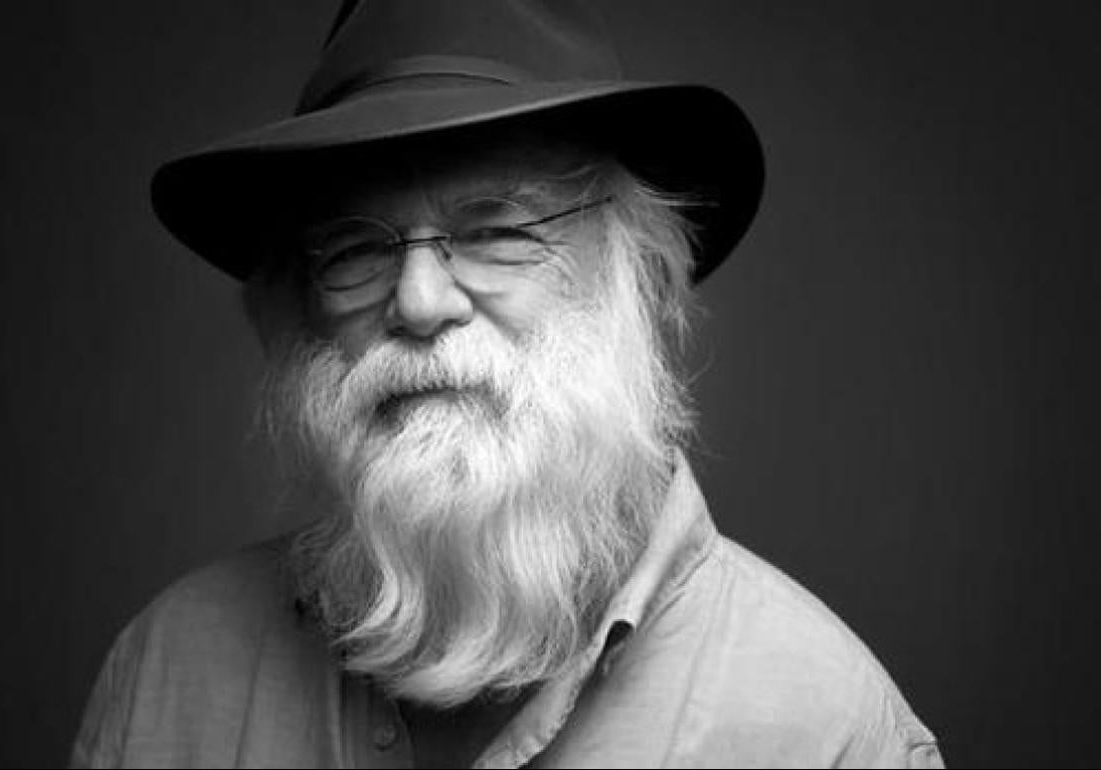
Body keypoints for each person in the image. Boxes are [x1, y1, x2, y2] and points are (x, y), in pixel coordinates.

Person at [71, 1, 943, 767]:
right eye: (355, 249)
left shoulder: (827, 731)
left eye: (496, 232)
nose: (418, 302)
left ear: (638, 281)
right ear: (294, 312)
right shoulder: (167, 674)